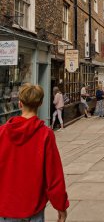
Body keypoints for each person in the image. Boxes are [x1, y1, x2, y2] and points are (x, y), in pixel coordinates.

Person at [0, 83, 69, 222]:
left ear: (19, 103)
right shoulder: (45, 134)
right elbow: (54, 176)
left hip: (5, 208)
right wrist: (61, 206)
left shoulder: (2, 133)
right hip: (33, 209)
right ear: (41, 103)